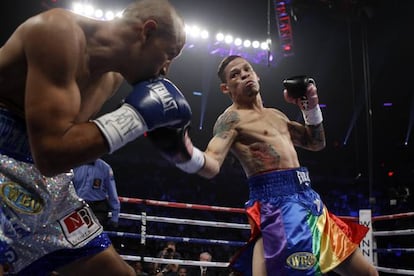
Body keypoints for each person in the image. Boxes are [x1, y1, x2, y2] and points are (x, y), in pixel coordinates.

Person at [0, 0, 188, 275]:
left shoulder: (111, 78)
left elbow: (65, 149)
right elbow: (51, 154)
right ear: (146, 32)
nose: (165, 69)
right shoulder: (57, 32)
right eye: (169, 53)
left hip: (42, 174)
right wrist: (135, 117)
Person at [148, 55, 378, 275]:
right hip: (278, 205)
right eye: (235, 75)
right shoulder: (231, 119)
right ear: (226, 88)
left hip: (311, 201)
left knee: (366, 272)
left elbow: (316, 142)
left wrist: (309, 107)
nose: (244, 75)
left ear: (257, 75)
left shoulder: (276, 115)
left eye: (247, 70)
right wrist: (185, 152)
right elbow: (212, 163)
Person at [73, 158, 121, 228]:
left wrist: (115, 216)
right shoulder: (75, 166)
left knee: (95, 234)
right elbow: (67, 188)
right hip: (78, 207)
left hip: (98, 208)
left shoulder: (105, 168)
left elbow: (112, 193)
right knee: (77, 236)